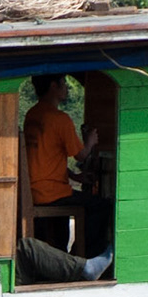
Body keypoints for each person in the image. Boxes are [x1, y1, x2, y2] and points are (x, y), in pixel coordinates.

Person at [24, 74, 111, 258]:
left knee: (71, 205)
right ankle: (84, 257)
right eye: (64, 83)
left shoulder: (32, 115)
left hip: (33, 190)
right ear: (53, 86)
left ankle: (64, 257)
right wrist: (90, 141)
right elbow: (81, 154)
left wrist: (75, 176)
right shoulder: (59, 119)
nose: (67, 88)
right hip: (51, 193)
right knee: (101, 206)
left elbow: (45, 158)